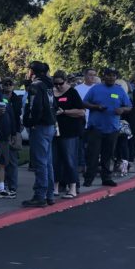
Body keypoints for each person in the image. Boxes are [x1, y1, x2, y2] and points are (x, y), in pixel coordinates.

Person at [82, 67, 132, 188]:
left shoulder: (120, 91)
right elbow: (84, 103)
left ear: (116, 77)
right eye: (108, 75)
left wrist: (122, 109)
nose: (110, 77)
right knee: (92, 155)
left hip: (112, 129)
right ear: (104, 76)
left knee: (108, 155)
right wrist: (96, 107)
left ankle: (106, 178)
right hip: (95, 128)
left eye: (113, 75)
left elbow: (129, 106)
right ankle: (89, 178)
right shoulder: (96, 88)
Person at [21, 61, 57, 207]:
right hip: (49, 125)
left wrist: (30, 122)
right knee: (47, 162)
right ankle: (49, 194)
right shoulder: (49, 85)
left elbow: (35, 107)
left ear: (33, 71)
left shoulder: (36, 86)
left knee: (40, 162)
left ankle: (40, 195)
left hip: (40, 126)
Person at [52, 70, 85, 198]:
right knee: (55, 160)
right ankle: (56, 185)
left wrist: (65, 111)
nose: (58, 86)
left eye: (60, 83)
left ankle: (72, 187)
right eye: (55, 84)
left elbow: (81, 111)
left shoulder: (72, 92)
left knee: (70, 159)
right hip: (55, 131)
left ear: (65, 81)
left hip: (70, 131)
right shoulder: (52, 93)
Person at [0, 76, 21, 199]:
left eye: (1, 83)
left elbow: (12, 115)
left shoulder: (6, 99)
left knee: (3, 162)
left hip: (5, 136)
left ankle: (3, 187)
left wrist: (14, 133)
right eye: (3, 83)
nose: (2, 85)